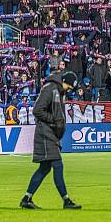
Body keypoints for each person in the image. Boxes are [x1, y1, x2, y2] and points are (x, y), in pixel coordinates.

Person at [20, 71, 81, 210]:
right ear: (64, 82)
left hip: (49, 132)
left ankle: (26, 199)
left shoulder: (57, 90)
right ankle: (66, 200)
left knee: (44, 168)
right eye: (69, 87)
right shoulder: (50, 89)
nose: (69, 90)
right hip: (45, 133)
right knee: (57, 165)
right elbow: (37, 110)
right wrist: (53, 120)